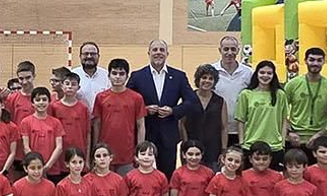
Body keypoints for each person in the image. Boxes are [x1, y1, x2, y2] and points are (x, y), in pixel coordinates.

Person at [128, 39, 198, 174]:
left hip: (169, 136)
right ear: (149, 53)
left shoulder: (179, 76)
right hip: (145, 134)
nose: (158, 53)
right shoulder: (137, 76)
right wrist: (145, 110)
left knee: (167, 175)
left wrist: (173, 111)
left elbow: (192, 101)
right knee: (143, 174)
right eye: (155, 50)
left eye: (161, 50)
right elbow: (128, 102)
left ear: (167, 53)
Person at [92, 58, 146, 173]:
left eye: (121, 74)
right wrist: (95, 149)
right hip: (104, 154)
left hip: (127, 155)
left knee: (125, 189)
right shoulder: (101, 97)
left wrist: (139, 151)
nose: (117, 77)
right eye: (114, 73)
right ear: (109, 75)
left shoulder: (136, 98)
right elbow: (97, 124)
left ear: (127, 76)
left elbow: (141, 125)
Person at [282, 47, 327, 148]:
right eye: (312, 59)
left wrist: (320, 134)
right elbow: (280, 111)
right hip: (295, 138)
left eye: (319, 60)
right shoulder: (292, 84)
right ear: (305, 61)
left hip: (320, 139)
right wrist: (289, 131)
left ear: (324, 62)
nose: (315, 63)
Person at [205, 36, 253, 148]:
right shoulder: (211, 71)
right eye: (226, 49)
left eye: (233, 49)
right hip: (216, 129)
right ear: (220, 50)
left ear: (238, 50)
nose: (229, 52)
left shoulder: (248, 73)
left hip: (242, 131)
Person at [181, 65, 226, 168]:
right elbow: (182, 123)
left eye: (211, 78)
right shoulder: (188, 98)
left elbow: (224, 127)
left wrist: (224, 150)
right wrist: (185, 144)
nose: (207, 81)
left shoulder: (220, 101)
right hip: (192, 149)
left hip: (214, 149)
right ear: (198, 79)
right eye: (204, 77)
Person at [71, 42, 111, 112]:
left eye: (93, 54)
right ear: (80, 56)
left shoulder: (107, 76)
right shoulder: (72, 75)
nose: (89, 56)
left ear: (98, 56)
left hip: (102, 120)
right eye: (86, 53)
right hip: (79, 119)